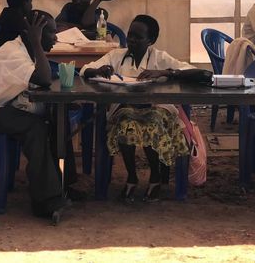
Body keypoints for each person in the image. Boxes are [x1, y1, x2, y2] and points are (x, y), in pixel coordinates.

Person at [0, 11, 73, 224]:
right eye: (50, 33)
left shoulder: (22, 50)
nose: (55, 38)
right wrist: (37, 43)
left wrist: (36, 44)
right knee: (35, 128)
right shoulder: (15, 54)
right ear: (32, 34)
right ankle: (46, 201)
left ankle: (64, 185)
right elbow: (45, 79)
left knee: (55, 119)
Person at [81, 14, 210, 203]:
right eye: (130, 35)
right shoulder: (116, 56)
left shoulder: (160, 58)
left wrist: (166, 72)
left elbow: (200, 73)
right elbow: (86, 69)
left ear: (151, 40)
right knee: (127, 125)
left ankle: (155, 177)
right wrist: (98, 71)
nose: (131, 40)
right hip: (126, 109)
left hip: (156, 109)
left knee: (153, 124)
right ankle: (132, 176)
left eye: (138, 37)